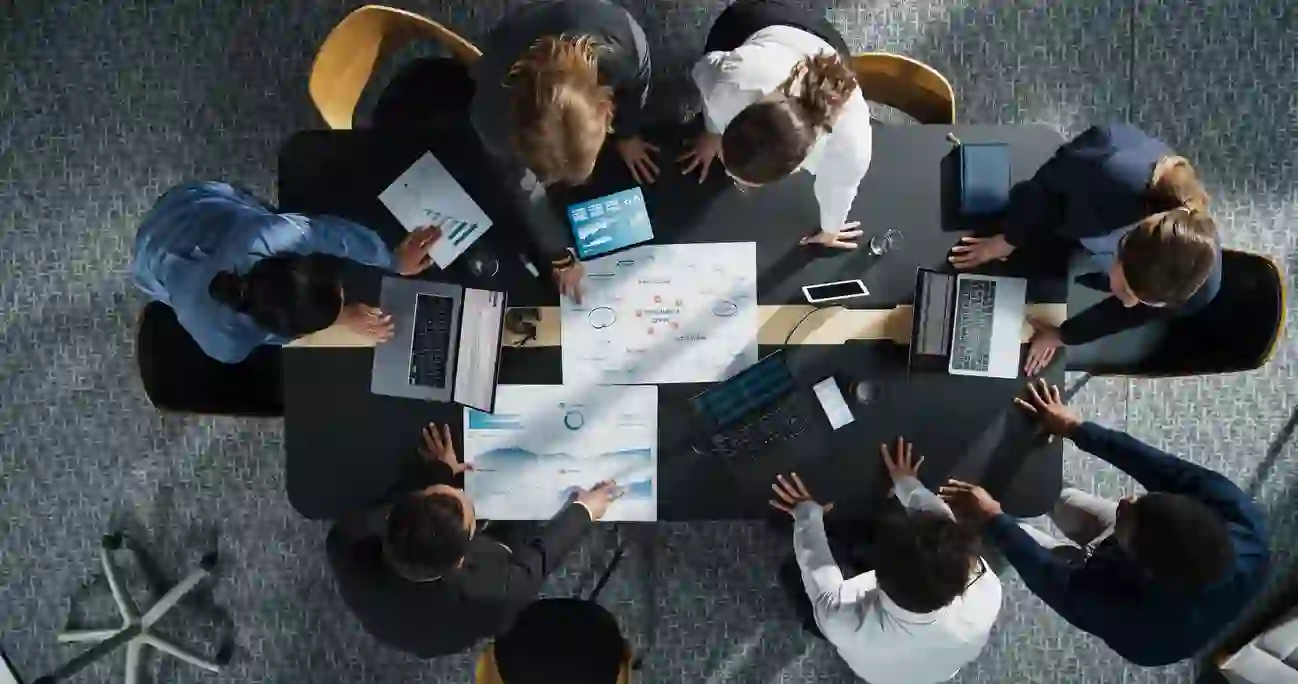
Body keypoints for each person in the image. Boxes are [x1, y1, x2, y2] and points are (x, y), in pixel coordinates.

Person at [940, 380, 1271, 666]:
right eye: (1141, 500)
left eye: (1127, 518)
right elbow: (1162, 468)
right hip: (1143, 566)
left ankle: (992, 524)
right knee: (1058, 498)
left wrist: (994, 519)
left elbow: (1049, 579)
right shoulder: (1242, 520)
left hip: (1112, 594)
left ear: (1143, 562)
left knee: (1016, 538)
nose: (1124, 501)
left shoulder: (1132, 623)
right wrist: (1076, 428)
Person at [326, 422, 621, 659]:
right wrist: (584, 511)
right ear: (465, 554)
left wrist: (441, 471)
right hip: (441, 632)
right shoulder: (496, 590)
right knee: (522, 522)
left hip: (393, 622)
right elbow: (540, 560)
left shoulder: (350, 537)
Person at [947, 123, 1221, 374]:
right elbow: (1041, 192)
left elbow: (1125, 315)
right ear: (1123, 243)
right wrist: (1008, 239)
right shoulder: (1103, 169)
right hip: (1077, 202)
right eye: (1127, 289)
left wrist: (1061, 335)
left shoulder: (1197, 285)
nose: (1127, 302)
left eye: (1139, 297)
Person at [769, 437, 1003, 684]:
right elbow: (946, 532)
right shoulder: (987, 592)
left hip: (870, 657)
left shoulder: (843, 619)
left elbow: (815, 565)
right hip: (923, 672)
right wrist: (908, 484)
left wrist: (807, 514)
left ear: (875, 574)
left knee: (794, 572)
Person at [132, 181, 440, 363]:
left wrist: (392, 260)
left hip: (193, 206)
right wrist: (340, 316)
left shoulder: (267, 235)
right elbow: (275, 333)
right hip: (156, 253)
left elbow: (328, 234)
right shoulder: (224, 343)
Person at [470, 0, 655, 303]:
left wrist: (627, 133)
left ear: (607, 109)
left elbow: (638, 83)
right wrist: (559, 256)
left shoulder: (625, 47)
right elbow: (524, 189)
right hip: (517, 31)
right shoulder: (489, 121)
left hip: (590, 15)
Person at [681, 0, 872, 251]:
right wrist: (712, 133)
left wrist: (830, 230)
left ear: (796, 168)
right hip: (755, 25)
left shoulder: (850, 148)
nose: (727, 174)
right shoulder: (732, 81)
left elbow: (839, 189)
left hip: (821, 52)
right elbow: (705, 70)